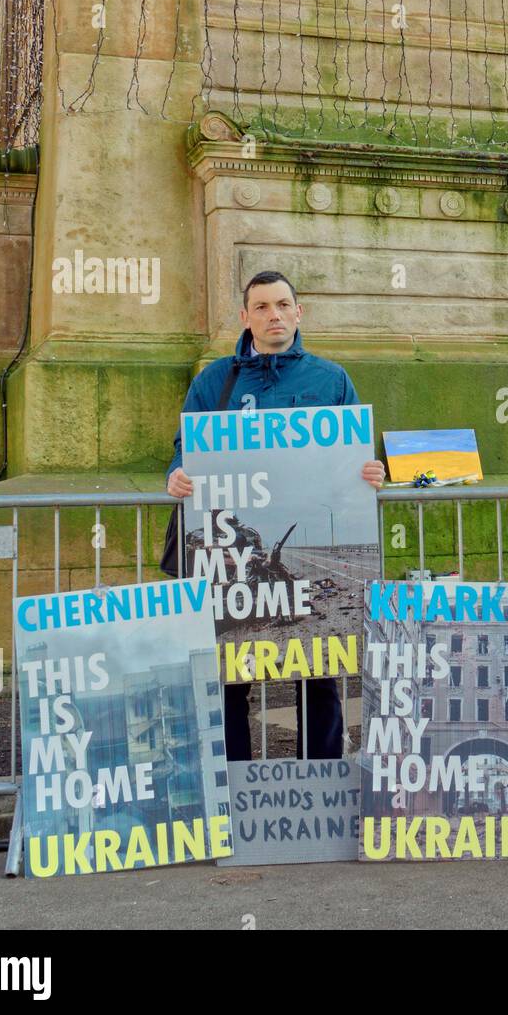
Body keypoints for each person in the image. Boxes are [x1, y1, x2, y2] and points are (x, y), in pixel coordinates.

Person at [165, 270, 385, 761]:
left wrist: (371, 470)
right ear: (245, 317)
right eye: (262, 307)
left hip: (269, 558)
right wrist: (177, 474)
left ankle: (324, 775)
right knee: (228, 673)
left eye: (283, 305)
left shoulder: (331, 379)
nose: (274, 315)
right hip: (228, 567)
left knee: (320, 666)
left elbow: (355, 458)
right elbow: (184, 451)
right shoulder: (214, 380)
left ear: (298, 312)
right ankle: (234, 785)